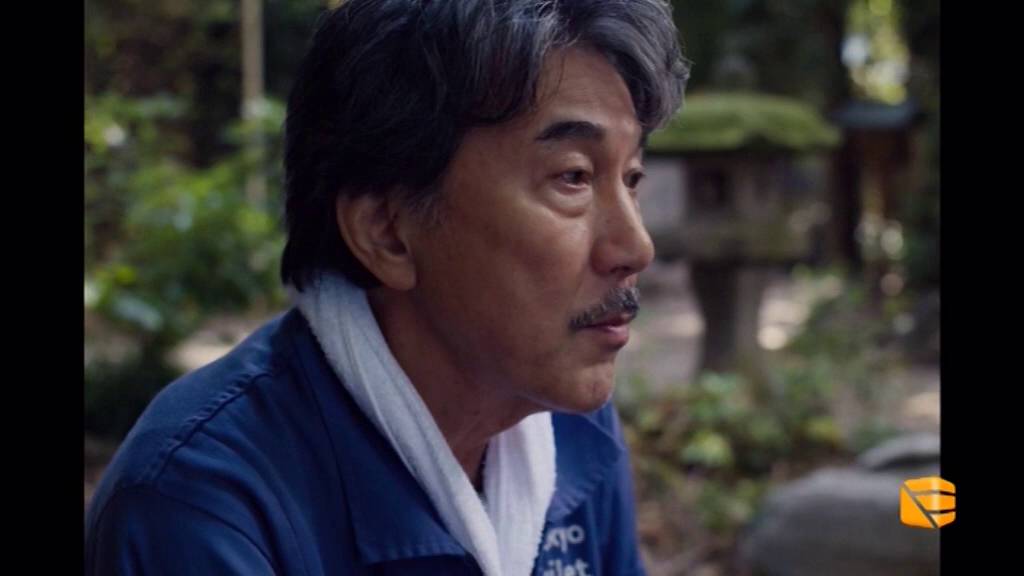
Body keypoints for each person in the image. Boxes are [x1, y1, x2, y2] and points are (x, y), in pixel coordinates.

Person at [84, 1, 689, 574]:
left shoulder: (568, 428)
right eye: (574, 177)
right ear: (387, 232)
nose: (636, 247)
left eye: (631, 177)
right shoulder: (205, 504)